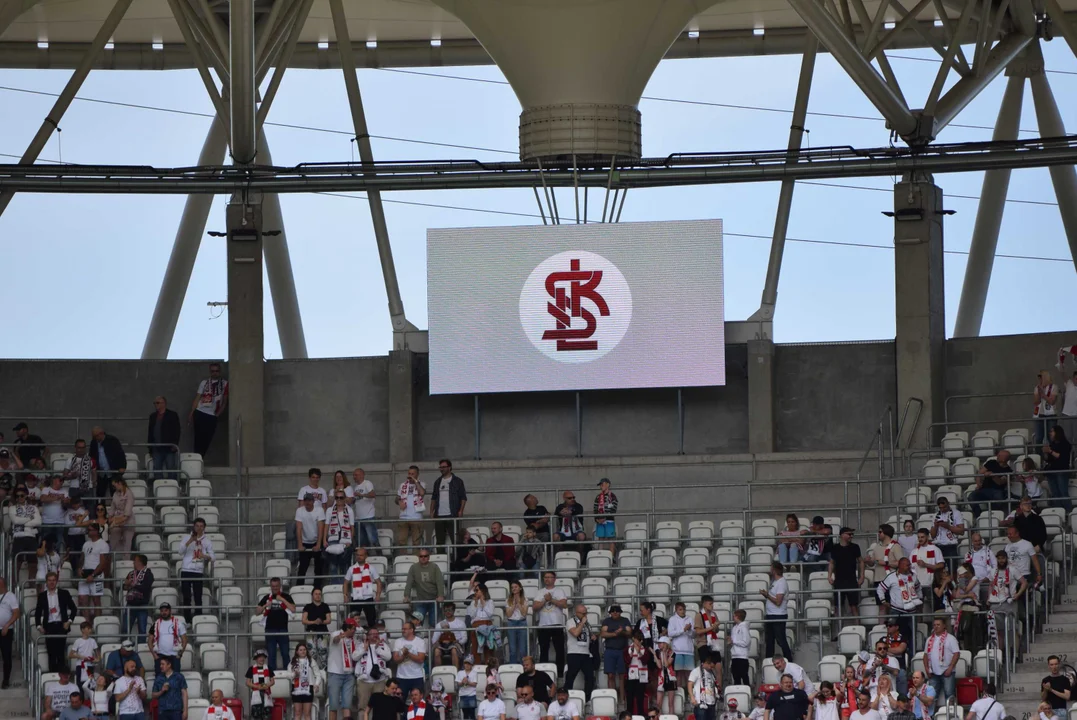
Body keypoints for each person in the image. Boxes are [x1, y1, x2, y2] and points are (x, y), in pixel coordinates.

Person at [36, 570, 79, 671]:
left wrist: (69, 622)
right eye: (49, 580)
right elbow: (38, 612)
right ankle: (52, 676)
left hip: (61, 625)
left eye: (53, 580)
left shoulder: (64, 593)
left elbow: (74, 608)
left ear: (57, 581)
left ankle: (61, 675)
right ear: (46, 582)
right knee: (51, 653)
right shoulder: (42, 596)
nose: (51, 582)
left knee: (60, 653)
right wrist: (39, 626)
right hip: (49, 626)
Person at [179, 517, 215, 623]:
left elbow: (213, 557)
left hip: (198, 571)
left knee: (198, 597)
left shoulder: (207, 541)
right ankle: (188, 620)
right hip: (186, 570)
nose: (199, 528)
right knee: (186, 597)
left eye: (201, 526)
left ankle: (198, 620)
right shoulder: (186, 538)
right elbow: (180, 551)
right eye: (197, 526)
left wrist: (204, 555)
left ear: (204, 528)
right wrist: (190, 541)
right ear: (194, 527)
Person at [190, 362, 228, 458]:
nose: (214, 373)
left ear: (220, 372)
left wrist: (217, 415)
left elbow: (224, 401)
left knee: (207, 439)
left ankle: (200, 457)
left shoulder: (224, 384)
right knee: (198, 438)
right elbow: (197, 398)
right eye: (212, 371)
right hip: (200, 412)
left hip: (212, 415)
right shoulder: (204, 382)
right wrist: (191, 413)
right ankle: (197, 459)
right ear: (210, 372)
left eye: (216, 371)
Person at [258, 577, 296, 671]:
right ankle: (272, 677)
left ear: (280, 586)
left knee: (285, 654)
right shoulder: (267, 597)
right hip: (270, 629)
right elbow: (257, 611)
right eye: (273, 586)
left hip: (283, 629)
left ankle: (288, 675)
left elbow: (293, 609)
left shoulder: (286, 596)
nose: (275, 588)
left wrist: (282, 600)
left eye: (277, 586)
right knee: (271, 655)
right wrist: (265, 606)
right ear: (270, 586)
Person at [533, 571, 569, 668]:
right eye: (545, 577)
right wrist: (545, 600)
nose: (547, 579)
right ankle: (543, 670)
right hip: (543, 625)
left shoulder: (559, 591)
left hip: (557, 624)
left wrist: (551, 599)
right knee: (544, 650)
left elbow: (564, 605)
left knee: (559, 649)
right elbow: (535, 607)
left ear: (554, 579)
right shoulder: (540, 592)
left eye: (549, 577)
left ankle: (560, 672)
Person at [828, 526, 865, 619]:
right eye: (849, 534)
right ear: (842, 535)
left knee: (854, 607)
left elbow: (861, 561)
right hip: (839, 581)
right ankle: (839, 631)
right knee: (838, 607)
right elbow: (831, 562)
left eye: (852, 534)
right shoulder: (835, 548)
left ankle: (857, 629)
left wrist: (862, 576)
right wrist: (829, 576)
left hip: (851, 580)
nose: (851, 536)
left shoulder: (855, 547)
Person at [430, 459, 467, 549]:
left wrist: (461, 510)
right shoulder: (438, 481)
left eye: (444, 467)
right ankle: (441, 560)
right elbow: (434, 497)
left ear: (449, 467)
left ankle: (456, 561)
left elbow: (463, 497)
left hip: (452, 514)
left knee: (456, 540)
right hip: (439, 515)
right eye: (440, 467)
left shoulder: (458, 481)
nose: (441, 469)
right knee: (440, 541)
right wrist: (431, 511)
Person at [327, 619, 359, 720]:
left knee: (347, 704)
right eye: (353, 629)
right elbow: (335, 640)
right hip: (335, 672)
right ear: (348, 628)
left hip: (349, 673)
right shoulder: (336, 634)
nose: (354, 631)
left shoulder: (355, 638)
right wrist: (340, 637)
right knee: (333, 704)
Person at [403, 549, 445, 626]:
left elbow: (440, 582)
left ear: (428, 557)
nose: (423, 558)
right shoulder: (413, 568)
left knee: (433, 622)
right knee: (417, 622)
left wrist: (440, 595)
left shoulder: (434, 567)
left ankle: (432, 638)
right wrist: (406, 596)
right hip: (420, 600)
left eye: (425, 556)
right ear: (418, 557)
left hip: (434, 600)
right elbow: (409, 583)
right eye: (421, 556)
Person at [343, 546, 382, 629]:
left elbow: (379, 582)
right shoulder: (351, 568)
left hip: (368, 598)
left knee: (371, 621)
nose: (358, 557)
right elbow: (346, 583)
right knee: (352, 622)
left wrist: (378, 595)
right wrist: (345, 596)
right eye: (357, 555)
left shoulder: (371, 568)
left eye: (361, 555)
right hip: (356, 598)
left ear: (365, 556)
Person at [761, 560, 793, 659]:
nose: (770, 570)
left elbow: (778, 602)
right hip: (771, 614)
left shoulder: (781, 583)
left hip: (778, 615)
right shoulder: (775, 582)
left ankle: (789, 659)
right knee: (769, 640)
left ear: (774, 570)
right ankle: (768, 661)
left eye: (771, 568)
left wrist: (767, 595)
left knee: (780, 640)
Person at [77, 521, 109, 619]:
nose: (88, 532)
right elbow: (82, 558)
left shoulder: (103, 544)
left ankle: (97, 624)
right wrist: (79, 568)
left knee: (96, 600)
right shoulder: (86, 544)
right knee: (83, 599)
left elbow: (103, 563)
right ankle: (86, 624)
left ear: (96, 531)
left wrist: (93, 575)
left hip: (97, 575)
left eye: (90, 530)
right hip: (85, 573)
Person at [922, 617, 959, 703]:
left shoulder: (951, 638)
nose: (936, 627)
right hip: (933, 672)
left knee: (949, 695)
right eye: (934, 625)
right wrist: (927, 669)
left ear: (944, 626)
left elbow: (956, 654)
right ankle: (931, 716)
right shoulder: (929, 639)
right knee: (930, 696)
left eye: (938, 625)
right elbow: (925, 655)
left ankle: (950, 715)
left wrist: (950, 668)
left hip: (947, 672)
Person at [356, 627, 392, 716]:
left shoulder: (383, 645)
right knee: (363, 707)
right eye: (372, 634)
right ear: (367, 636)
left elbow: (388, 657)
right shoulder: (361, 645)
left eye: (376, 634)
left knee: (379, 707)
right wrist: (364, 649)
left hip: (379, 682)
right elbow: (354, 657)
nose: (375, 636)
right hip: (364, 682)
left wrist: (377, 648)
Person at [121, 554, 154, 644]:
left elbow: (145, 588)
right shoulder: (131, 573)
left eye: (135, 561)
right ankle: (125, 646)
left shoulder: (148, 574)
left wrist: (133, 585)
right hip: (130, 604)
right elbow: (124, 587)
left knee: (142, 630)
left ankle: (140, 648)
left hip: (142, 605)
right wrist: (126, 584)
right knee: (125, 628)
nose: (133, 563)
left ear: (140, 562)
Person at [295, 493, 327, 588]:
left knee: (319, 568)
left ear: (313, 501)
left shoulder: (319, 510)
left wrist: (318, 544)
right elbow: (299, 528)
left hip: (317, 541)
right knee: (302, 567)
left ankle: (317, 589)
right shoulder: (299, 511)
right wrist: (300, 544)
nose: (307, 502)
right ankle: (299, 589)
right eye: (305, 500)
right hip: (305, 542)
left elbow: (321, 527)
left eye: (309, 500)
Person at [147, 396, 181, 482]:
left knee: (171, 468)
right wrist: (150, 447)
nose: (155, 405)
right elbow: (150, 432)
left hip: (169, 447)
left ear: (164, 404)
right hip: (156, 447)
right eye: (154, 403)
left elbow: (177, 430)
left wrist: (174, 444)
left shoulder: (172, 415)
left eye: (157, 403)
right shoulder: (153, 416)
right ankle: (159, 487)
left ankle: (173, 487)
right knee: (157, 469)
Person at [9, 486, 41, 579]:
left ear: (26, 495)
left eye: (22, 495)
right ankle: (14, 585)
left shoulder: (34, 508)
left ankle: (32, 585)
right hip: (18, 536)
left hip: (31, 536)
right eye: (17, 496)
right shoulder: (12, 508)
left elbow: (38, 522)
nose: (19, 498)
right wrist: (30, 518)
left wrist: (24, 523)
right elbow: (16, 521)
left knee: (33, 563)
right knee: (17, 563)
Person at [601, 604, 632, 699]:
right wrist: (615, 634)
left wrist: (621, 632)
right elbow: (602, 633)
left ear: (620, 612)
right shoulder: (606, 621)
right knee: (610, 675)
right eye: (613, 611)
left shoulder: (625, 620)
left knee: (622, 676)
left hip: (622, 651)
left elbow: (630, 633)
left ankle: (622, 699)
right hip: (610, 650)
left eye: (617, 611)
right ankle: (612, 698)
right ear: (610, 613)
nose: (615, 612)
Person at [324, 488, 356, 582]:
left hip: (345, 539)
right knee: (333, 565)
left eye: (341, 498)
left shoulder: (349, 510)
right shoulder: (329, 510)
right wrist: (324, 540)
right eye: (337, 497)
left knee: (344, 565)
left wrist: (350, 541)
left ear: (345, 498)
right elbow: (326, 525)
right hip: (332, 539)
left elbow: (352, 527)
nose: (338, 499)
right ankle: (334, 585)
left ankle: (344, 587)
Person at [564, 604, 595, 698]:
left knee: (590, 677)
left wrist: (593, 636)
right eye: (583, 613)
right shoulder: (570, 622)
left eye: (586, 613)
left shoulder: (586, 624)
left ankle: (587, 698)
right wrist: (582, 623)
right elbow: (576, 633)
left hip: (586, 654)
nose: (585, 615)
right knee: (571, 677)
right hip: (574, 653)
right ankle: (566, 696)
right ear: (576, 613)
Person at [970, 450, 1014, 517]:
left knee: (999, 498)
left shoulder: (1008, 471)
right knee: (971, 497)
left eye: (999, 456)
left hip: (997, 490)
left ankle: (993, 516)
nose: (997, 456)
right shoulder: (991, 462)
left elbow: (1000, 482)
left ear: (1005, 459)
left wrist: (993, 475)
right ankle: (979, 516)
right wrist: (978, 484)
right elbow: (979, 474)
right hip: (984, 489)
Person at [89, 427, 126, 503]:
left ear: (101, 434)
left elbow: (120, 454)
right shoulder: (94, 442)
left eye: (96, 436)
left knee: (116, 494)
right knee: (100, 495)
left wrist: (122, 467)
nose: (94, 438)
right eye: (93, 436)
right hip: (101, 473)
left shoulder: (113, 440)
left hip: (113, 472)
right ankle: (100, 512)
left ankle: (117, 513)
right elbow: (91, 456)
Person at [148, 602, 187, 674]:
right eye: (162, 611)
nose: (164, 612)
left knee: (175, 680)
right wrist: (154, 655)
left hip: (175, 656)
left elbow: (184, 640)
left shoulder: (178, 623)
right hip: (160, 655)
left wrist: (180, 654)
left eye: (166, 610)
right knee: (160, 680)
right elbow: (150, 640)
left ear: (170, 611)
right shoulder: (156, 624)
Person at [393, 621, 428, 699]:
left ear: (411, 630)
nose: (403, 630)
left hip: (416, 676)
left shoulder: (420, 642)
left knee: (418, 702)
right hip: (401, 677)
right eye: (402, 629)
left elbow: (421, 659)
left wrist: (408, 654)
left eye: (405, 629)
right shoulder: (398, 641)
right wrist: (404, 655)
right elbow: (395, 659)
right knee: (399, 702)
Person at [1042, 425, 1074, 512]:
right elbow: (1048, 459)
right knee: (1055, 493)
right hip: (1051, 471)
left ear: (1057, 432)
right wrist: (1045, 453)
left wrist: (1050, 451)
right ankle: (1058, 511)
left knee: (1063, 492)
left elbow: (1061, 456)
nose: (1050, 433)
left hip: (1061, 470)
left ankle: (1068, 511)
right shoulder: (1052, 444)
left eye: (1052, 431)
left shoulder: (1065, 444)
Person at [396, 466, 427, 552]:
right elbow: (397, 498)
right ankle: (402, 562)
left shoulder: (422, 484)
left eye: (413, 474)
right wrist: (399, 502)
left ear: (417, 474)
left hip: (416, 517)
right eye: (409, 473)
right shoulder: (402, 485)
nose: (410, 475)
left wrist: (415, 481)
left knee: (416, 542)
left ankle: (416, 561)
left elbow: (422, 492)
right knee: (401, 541)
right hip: (403, 517)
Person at [467, 581, 499, 663]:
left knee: (488, 648)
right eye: (475, 591)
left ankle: (488, 667)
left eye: (477, 590)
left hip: (487, 624)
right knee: (475, 648)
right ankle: (476, 667)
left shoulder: (490, 602)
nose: (475, 592)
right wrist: (476, 603)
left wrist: (483, 602)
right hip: (476, 625)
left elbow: (490, 614)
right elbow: (472, 615)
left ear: (483, 591)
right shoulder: (473, 602)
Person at [865, 524, 904, 591]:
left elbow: (901, 563)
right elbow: (873, 563)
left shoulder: (895, 546)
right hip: (877, 580)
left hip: (891, 580)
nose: (878, 534)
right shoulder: (876, 547)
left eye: (880, 532)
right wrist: (869, 561)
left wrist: (886, 563)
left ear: (886, 533)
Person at [150, 655, 188, 720]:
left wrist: (185, 711)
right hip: (162, 711)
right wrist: (162, 691)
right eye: (160, 664)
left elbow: (184, 694)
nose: (160, 666)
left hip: (176, 711)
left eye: (163, 664)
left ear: (169, 665)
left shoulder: (179, 677)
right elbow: (153, 695)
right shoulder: (158, 678)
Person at [625, 629, 653, 715]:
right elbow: (626, 661)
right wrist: (632, 652)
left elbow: (645, 661)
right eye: (638, 639)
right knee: (630, 697)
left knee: (640, 697)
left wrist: (639, 652)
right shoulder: (628, 649)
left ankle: (641, 714)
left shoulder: (645, 650)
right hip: (631, 676)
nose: (639, 641)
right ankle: (629, 714)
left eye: (641, 639)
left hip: (641, 676)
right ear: (633, 639)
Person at [290, 642, 320, 720]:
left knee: (307, 713)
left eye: (304, 650)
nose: (303, 651)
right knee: (297, 712)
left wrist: (316, 684)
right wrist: (295, 674)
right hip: (296, 687)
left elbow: (318, 674)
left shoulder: (311, 661)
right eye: (300, 650)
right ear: (297, 651)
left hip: (308, 688)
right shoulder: (293, 662)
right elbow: (289, 676)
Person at [931, 497, 965, 564]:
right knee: (939, 571)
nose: (943, 509)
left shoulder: (957, 513)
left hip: (951, 546)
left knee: (952, 570)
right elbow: (932, 536)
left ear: (948, 504)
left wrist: (948, 526)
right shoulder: (935, 515)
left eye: (944, 507)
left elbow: (961, 531)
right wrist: (935, 526)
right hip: (938, 545)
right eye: (940, 508)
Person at [965, 532, 997, 604]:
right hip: (972, 583)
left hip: (986, 582)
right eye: (976, 541)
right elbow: (966, 569)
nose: (978, 543)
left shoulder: (988, 552)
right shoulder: (968, 554)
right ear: (972, 542)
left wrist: (988, 578)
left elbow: (995, 567)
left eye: (979, 540)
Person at [909, 529, 944, 596]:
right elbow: (911, 568)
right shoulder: (914, 552)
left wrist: (925, 565)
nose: (920, 539)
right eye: (918, 537)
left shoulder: (934, 549)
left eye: (922, 537)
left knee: (932, 605)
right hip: (917, 585)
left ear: (927, 537)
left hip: (930, 583)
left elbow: (941, 565)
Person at [434, 601, 468, 668]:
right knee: (437, 651)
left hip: (456, 644)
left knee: (454, 650)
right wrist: (439, 641)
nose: (448, 612)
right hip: (442, 645)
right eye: (445, 610)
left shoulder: (461, 623)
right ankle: (438, 673)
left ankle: (456, 674)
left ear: (454, 610)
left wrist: (458, 641)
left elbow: (464, 638)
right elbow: (434, 640)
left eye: (450, 610)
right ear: (443, 612)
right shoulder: (439, 624)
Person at [689, 650, 720, 720]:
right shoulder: (696, 671)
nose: (711, 668)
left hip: (711, 703)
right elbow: (690, 684)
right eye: (711, 666)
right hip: (701, 704)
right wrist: (692, 697)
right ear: (706, 663)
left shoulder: (712, 673)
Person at [0, 577, 20, 689]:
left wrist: (7, 625)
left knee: (6, 655)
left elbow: (16, 613)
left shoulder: (10, 596)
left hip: (6, 630)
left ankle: (6, 680)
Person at [352, 468, 379, 549]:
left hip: (368, 516)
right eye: (354, 475)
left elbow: (373, 494)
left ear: (362, 475)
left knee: (372, 539)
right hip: (358, 518)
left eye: (356, 475)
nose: (354, 477)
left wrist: (361, 495)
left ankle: (380, 555)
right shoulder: (355, 487)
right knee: (361, 541)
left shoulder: (367, 483)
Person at [592, 478, 618, 554]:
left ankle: (611, 557)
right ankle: (601, 555)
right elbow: (595, 509)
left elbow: (613, 509)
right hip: (600, 521)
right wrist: (597, 519)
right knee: (600, 538)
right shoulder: (598, 497)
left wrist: (605, 517)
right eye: (600, 485)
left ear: (608, 485)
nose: (601, 487)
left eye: (602, 484)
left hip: (609, 520)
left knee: (611, 539)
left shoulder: (612, 496)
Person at [505, 581, 529, 665]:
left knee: (523, 649)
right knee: (512, 648)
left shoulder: (525, 599)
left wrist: (518, 603)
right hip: (511, 623)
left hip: (522, 623)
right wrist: (514, 605)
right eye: (512, 587)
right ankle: (513, 667)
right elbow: (508, 615)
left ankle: (524, 667)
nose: (513, 589)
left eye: (515, 587)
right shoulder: (508, 600)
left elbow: (524, 613)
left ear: (520, 588)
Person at [1042, 655, 1072, 720]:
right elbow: (1043, 698)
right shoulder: (1045, 680)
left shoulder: (1065, 679)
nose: (1054, 667)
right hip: (1048, 711)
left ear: (1059, 665)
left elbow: (1067, 696)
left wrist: (1051, 690)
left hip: (1061, 710)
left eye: (1056, 664)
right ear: (1048, 666)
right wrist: (1045, 690)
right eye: (1052, 665)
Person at [1035, 370, 1060, 445]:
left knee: (1051, 437)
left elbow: (1052, 401)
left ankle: (1051, 454)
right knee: (1039, 438)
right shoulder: (1037, 387)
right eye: (1039, 377)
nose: (1040, 379)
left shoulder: (1054, 387)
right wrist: (1039, 393)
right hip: (1040, 415)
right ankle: (1038, 455)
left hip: (1051, 415)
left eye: (1041, 377)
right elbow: (1036, 402)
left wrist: (1043, 395)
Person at [728, 608, 751, 685]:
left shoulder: (744, 627)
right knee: (736, 677)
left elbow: (746, 642)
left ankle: (747, 692)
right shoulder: (734, 628)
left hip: (742, 656)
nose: (733, 617)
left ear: (737, 616)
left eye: (734, 616)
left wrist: (733, 641)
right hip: (735, 656)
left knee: (744, 676)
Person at [655, 636, 677, 715]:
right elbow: (660, 666)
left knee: (670, 703)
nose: (659, 645)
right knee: (658, 703)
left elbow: (667, 664)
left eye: (660, 643)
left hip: (671, 678)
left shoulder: (672, 653)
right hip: (661, 678)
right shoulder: (657, 652)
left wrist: (664, 653)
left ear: (665, 644)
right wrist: (655, 655)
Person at [457, 656, 480, 720]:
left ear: (472, 665)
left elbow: (475, 684)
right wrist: (462, 682)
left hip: (471, 695)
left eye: (469, 663)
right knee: (465, 714)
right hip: (463, 695)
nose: (467, 665)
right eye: (466, 663)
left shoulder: (474, 673)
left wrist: (468, 682)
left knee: (472, 713)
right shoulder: (460, 673)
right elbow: (458, 684)